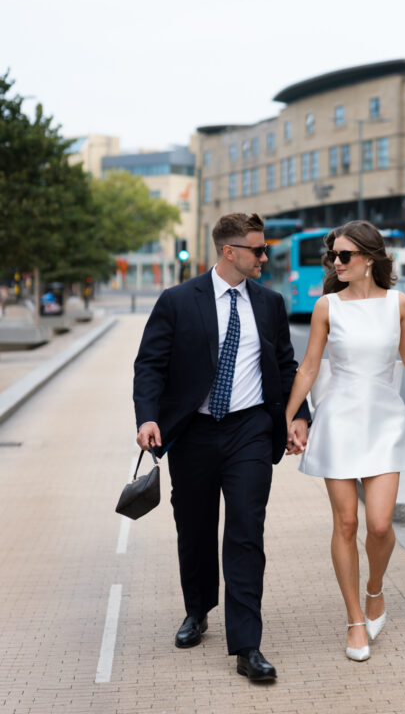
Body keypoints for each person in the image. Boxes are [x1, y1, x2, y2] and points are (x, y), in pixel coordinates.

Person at [133, 212, 310, 683]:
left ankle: (247, 646)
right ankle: (197, 609)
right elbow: (149, 364)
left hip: (251, 429)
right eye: (258, 249)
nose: (265, 257)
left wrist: (300, 416)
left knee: (246, 531)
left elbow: (286, 365)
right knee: (194, 528)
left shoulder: (270, 303)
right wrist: (148, 417)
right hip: (193, 431)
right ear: (229, 252)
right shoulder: (176, 301)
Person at [285, 220, 405, 662]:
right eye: (334, 256)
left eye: (345, 255)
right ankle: (354, 621)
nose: (337, 263)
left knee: (380, 525)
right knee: (346, 524)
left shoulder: (398, 303)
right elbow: (309, 367)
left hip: (384, 423)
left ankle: (375, 590)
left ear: (369, 258)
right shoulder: (326, 306)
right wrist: (287, 417)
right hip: (339, 423)